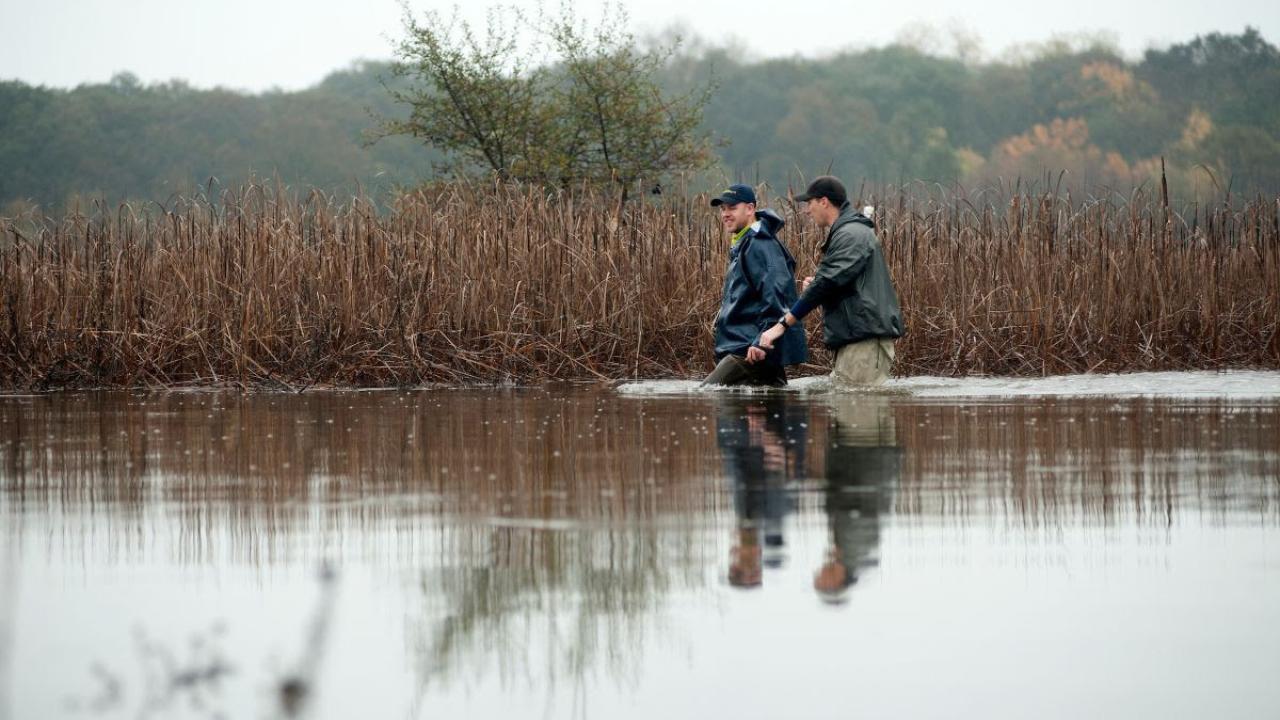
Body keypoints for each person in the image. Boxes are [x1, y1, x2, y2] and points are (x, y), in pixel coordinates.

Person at [757, 176, 904, 388]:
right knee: (847, 410)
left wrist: (781, 326)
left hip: (863, 345)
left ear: (824, 201)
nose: (807, 210)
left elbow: (826, 283)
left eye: (810, 203)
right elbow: (834, 282)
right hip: (855, 343)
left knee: (859, 413)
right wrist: (820, 285)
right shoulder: (848, 233)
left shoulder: (851, 234)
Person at [702, 184, 808, 387]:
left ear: (750, 209)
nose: (725, 214)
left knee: (705, 395)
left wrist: (763, 342)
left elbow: (776, 295)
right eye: (723, 209)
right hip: (748, 348)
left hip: (749, 350)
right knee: (777, 404)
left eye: (732, 208)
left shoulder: (759, 244)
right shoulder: (745, 243)